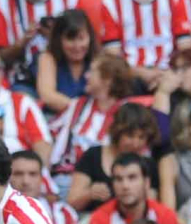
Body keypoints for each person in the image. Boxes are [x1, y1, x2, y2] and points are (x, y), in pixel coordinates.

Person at [47, 54, 136, 194]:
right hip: (66, 179)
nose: (86, 76)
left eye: (92, 71)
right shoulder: (78, 105)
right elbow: (49, 134)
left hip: (108, 182)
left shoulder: (128, 113)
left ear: (107, 80)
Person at [68, 102, 174, 213]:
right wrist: (90, 194)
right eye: (130, 136)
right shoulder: (93, 155)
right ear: (117, 133)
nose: (135, 143)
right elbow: (72, 201)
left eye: (141, 137)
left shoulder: (149, 165)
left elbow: (151, 207)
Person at [11, 151, 83, 224]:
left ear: (41, 178)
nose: (26, 181)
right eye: (18, 174)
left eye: (32, 174)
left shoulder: (63, 212)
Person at [37, 9, 101, 114]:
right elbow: (47, 95)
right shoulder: (47, 58)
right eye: (70, 39)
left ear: (90, 37)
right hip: (54, 119)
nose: (77, 46)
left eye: (81, 38)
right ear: (59, 39)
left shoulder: (99, 59)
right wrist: (82, 112)